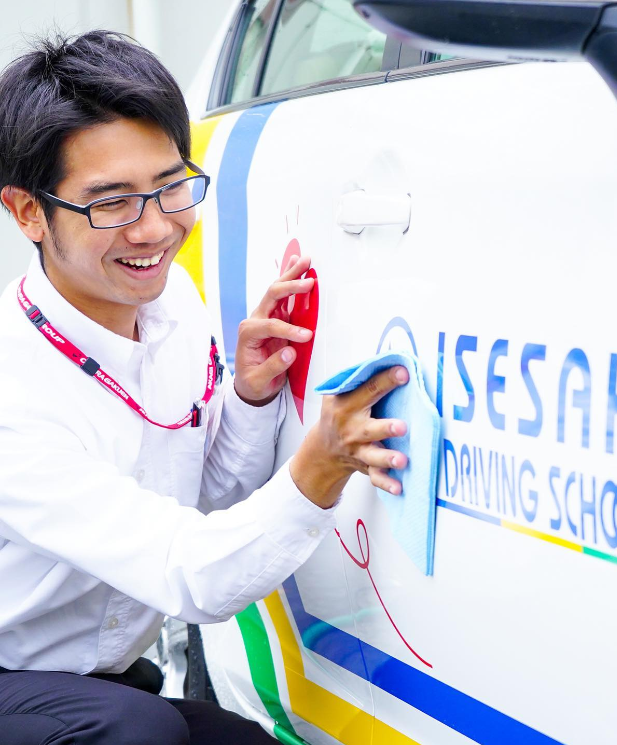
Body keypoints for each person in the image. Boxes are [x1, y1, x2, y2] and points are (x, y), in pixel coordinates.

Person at [0, 30, 410, 745]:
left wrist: (248, 398)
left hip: (101, 683)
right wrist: (319, 467)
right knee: (137, 733)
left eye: (170, 186)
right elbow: (191, 575)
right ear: (29, 211)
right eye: (113, 203)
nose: (157, 228)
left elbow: (208, 507)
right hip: (28, 684)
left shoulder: (173, 309)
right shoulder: (15, 392)